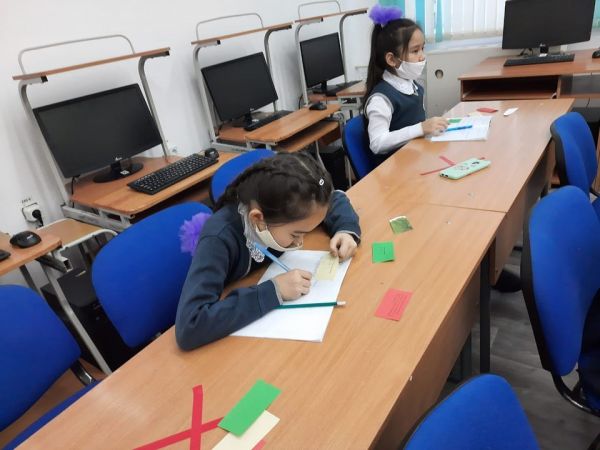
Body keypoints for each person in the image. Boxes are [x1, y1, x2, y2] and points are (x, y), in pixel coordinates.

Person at [176, 151, 361, 350]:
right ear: (258, 219)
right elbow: (191, 325)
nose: (300, 242)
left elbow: (333, 200)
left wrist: (345, 229)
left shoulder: (284, 210)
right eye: (296, 234)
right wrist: (274, 291)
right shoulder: (219, 238)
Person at [363, 5, 448, 164]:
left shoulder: (413, 86)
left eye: (422, 48)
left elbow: (414, 126)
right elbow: (377, 143)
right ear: (391, 59)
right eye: (415, 51)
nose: (422, 56)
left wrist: (431, 127)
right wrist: (421, 128)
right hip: (396, 169)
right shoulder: (381, 99)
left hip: (416, 159)